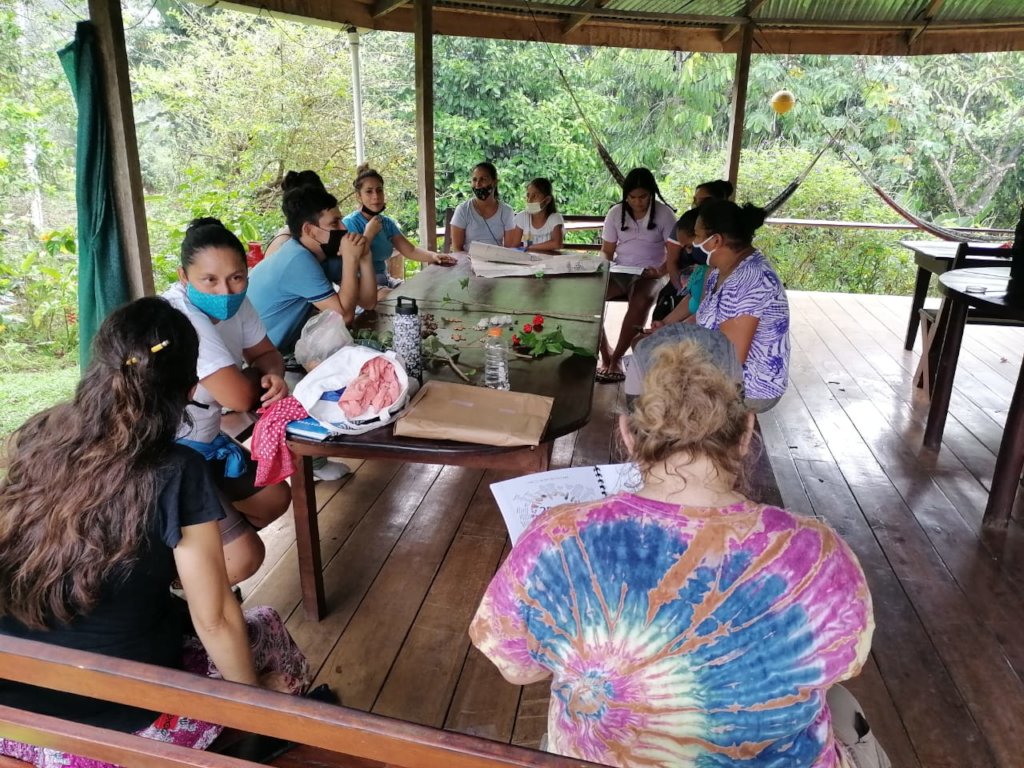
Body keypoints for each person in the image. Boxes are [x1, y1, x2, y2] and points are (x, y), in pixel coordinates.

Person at [470, 337, 887, 768]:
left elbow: (517, 669)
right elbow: (844, 664)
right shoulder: (820, 554)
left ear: (628, 434)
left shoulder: (555, 540)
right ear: (746, 431)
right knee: (842, 706)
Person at [0, 297, 311, 768]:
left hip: (13, 714)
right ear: (190, 389)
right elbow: (215, 619)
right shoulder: (175, 469)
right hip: (118, 729)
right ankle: (262, 744)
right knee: (266, 632)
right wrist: (254, 712)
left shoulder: (41, 435)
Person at [163, 217, 292, 580]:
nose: (225, 291)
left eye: (236, 277)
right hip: (164, 454)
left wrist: (271, 374)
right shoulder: (179, 317)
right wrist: (256, 379)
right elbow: (239, 398)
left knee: (273, 498)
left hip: (205, 440)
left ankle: (193, 573)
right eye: (210, 280)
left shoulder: (239, 304)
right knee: (243, 558)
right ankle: (181, 586)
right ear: (183, 277)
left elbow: (267, 355)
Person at [248, 183, 376, 354]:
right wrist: (351, 259)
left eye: (341, 220)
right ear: (309, 230)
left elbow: (368, 302)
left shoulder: (323, 255)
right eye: (335, 223)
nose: (344, 228)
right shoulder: (297, 259)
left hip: (281, 348)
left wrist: (365, 256)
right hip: (261, 357)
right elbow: (344, 317)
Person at [693, 198, 790, 412]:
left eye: (697, 236)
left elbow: (732, 359)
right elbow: (704, 316)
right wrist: (668, 330)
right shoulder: (722, 271)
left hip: (750, 388)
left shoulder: (749, 281)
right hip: (719, 369)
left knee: (661, 387)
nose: (694, 242)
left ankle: (735, 425)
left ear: (715, 240)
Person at [597, 167, 679, 383]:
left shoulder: (665, 214)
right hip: (620, 270)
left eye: (642, 197)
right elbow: (607, 250)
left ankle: (617, 359)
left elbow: (674, 253)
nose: (637, 202)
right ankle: (605, 354)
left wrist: (660, 271)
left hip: (652, 273)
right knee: (591, 297)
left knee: (641, 301)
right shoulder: (615, 213)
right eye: (632, 197)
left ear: (652, 193)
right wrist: (604, 265)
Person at [343, 164, 456, 289]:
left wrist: (434, 256)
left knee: (420, 290)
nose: (376, 196)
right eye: (369, 191)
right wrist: (369, 234)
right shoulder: (350, 223)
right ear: (359, 196)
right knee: (397, 299)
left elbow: (411, 250)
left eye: (379, 190)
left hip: (384, 279)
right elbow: (353, 259)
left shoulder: (385, 222)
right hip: (360, 286)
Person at [449, 162, 516, 252]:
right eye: (474, 180)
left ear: (494, 182)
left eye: (483, 179)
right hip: (467, 259)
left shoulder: (507, 211)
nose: (478, 184)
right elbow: (456, 248)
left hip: (496, 259)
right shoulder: (463, 210)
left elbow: (509, 249)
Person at [651, 207, 701, 323]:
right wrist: (664, 324)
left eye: (690, 247)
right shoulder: (701, 269)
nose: (689, 252)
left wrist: (669, 328)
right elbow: (691, 301)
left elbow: (701, 311)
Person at [508, 177, 564, 252]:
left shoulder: (554, 218)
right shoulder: (522, 217)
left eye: (535, 196)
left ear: (547, 200)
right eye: (528, 195)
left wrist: (530, 248)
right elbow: (514, 246)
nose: (530, 200)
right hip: (528, 258)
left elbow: (557, 244)